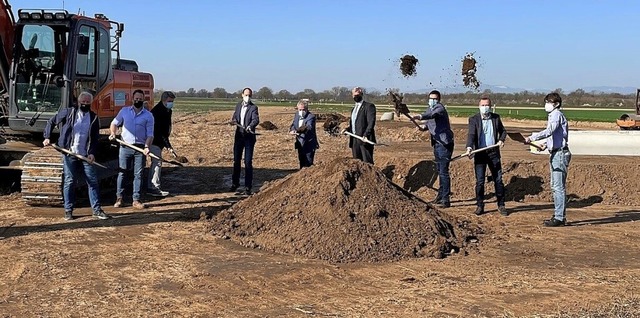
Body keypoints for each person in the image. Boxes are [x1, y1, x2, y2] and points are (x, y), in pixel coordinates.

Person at [42, 91, 111, 220]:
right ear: (78, 102)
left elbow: (95, 138)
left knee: (93, 182)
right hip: (70, 153)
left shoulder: (94, 117)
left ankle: (96, 210)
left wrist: (92, 153)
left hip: (85, 155)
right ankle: (68, 210)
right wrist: (47, 137)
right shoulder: (69, 113)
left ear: (90, 103)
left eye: (87, 102)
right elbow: (51, 122)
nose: (85, 104)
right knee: (69, 181)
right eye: (83, 102)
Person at [526, 92, 571, 227]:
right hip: (555, 153)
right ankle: (558, 214)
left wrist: (533, 137)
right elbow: (555, 136)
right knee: (555, 186)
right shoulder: (553, 115)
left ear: (556, 104)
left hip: (560, 154)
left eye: (549, 102)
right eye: (546, 101)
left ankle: (559, 218)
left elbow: (550, 131)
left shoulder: (556, 115)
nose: (547, 104)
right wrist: (545, 145)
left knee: (558, 187)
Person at [109, 89, 154, 209]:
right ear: (132, 99)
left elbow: (150, 134)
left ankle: (136, 200)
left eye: (140, 99)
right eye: (136, 99)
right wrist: (113, 133)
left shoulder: (148, 116)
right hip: (125, 147)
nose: (138, 101)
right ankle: (120, 198)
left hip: (140, 149)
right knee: (122, 172)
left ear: (143, 100)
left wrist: (146, 147)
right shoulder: (124, 111)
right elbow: (114, 123)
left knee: (138, 174)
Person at [463, 96, 508, 216]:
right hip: (480, 153)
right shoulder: (474, 119)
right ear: (479, 106)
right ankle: (480, 205)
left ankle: (501, 205)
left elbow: (503, 131)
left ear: (490, 106)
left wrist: (501, 140)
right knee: (480, 182)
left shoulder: (496, 118)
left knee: (498, 180)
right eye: (482, 105)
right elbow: (471, 134)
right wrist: (469, 147)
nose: (485, 107)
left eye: (487, 105)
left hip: (493, 153)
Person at [412, 90, 454, 208]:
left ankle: (446, 199)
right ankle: (440, 197)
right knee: (440, 171)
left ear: (439, 100)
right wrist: (423, 127)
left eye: (435, 99)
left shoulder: (439, 108)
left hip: (444, 144)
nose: (432, 101)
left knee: (444, 172)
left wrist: (419, 116)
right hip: (436, 143)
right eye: (431, 98)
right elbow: (430, 123)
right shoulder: (429, 109)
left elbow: (431, 116)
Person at [230, 87, 259, 195]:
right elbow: (235, 117)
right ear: (242, 95)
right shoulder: (238, 106)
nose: (248, 97)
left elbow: (255, 119)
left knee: (247, 162)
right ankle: (235, 183)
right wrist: (233, 121)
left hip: (249, 138)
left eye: (249, 95)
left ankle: (248, 186)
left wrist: (250, 126)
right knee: (236, 161)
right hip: (239, 136)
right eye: (246, 95)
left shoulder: (253, 107)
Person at [147, 90, 176, 197]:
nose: (171, 103)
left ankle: (153, 186)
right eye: (169, 101)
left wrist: (168, 145)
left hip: (160, 141)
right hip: (154, 140)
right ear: (163, 100)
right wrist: (168, 146)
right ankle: (153, 187)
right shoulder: (157, 112)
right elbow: (159, 131)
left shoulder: (168, 110)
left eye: (172, 101)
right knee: (157, 162)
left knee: (157, 162)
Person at [342, 86, 376, 164]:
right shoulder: (353, 110)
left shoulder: (369, 106)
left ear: (361, 95)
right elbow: (355, 125)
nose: (356, 96)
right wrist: (347, 129)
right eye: (354, 95)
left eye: (358, 95)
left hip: (364, 140)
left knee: (367, 163)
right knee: (357, 163)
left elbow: (371, 122)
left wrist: (366, 134)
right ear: (352, 96)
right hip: (354, 140)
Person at [289, 99, 318, 168]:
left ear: (307, 109)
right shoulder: (297, 115)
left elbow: (308, 127)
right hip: (300, 142)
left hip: (308, 144)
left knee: (308, 163)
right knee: (301, 161)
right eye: (300, 110)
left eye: (303, 110)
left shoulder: (311, 117)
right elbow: (293, 124)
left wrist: (297, 131)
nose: (301, 112)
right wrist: (292, 130)